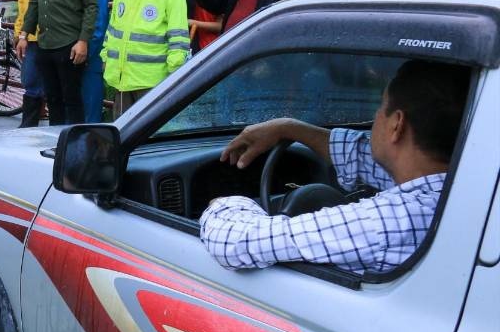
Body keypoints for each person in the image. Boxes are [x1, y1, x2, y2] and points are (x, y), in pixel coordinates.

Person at [201, 60, 469, 274]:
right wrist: (288, 128)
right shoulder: (463, 190)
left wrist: (224, 203)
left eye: (380, 107)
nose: (376, 116)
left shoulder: (383, 223)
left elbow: (234, 243)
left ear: (396, 124)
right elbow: (363, 156)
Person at [102, 0, 189, 118]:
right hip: (122, 79)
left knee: (150, 138)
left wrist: (174, 75)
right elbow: (112, 29)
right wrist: (106, 58)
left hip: (153, 82)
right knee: (122, 135)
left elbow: (178, 38)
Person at [13, 0, 45, 127]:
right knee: (30, 81)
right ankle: (28, 125)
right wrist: (19, 31)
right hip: (29, 37)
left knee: (47, 83)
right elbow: (23, 4)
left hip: (49, 37)